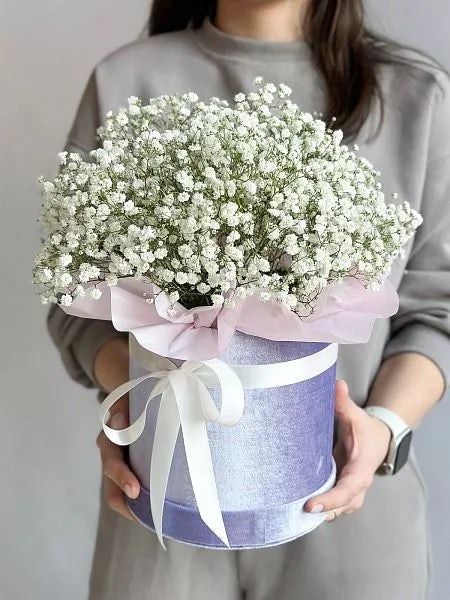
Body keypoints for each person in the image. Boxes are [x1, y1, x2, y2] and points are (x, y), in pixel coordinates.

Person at [47, 1, 450, 598]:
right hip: (163, 506)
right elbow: (74, 303)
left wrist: (384, 429)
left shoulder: (416, 94)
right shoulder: (126, 79)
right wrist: (135, 401)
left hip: (351, 512)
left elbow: (437, 311)